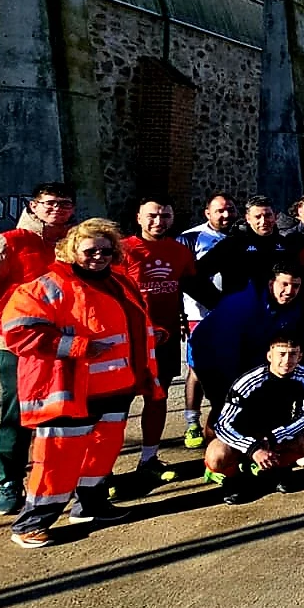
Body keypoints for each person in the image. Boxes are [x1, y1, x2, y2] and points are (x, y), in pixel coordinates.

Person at [0, 219, 159, 548]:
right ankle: (32, 523)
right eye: (90, 250)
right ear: (73, 250)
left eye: (105, 250)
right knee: (58, 459)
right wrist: (78, 347)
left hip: (117, 387)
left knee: (102, 452)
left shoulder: (119, 279)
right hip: (72, 391)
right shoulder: (49, 285)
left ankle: (91, 505)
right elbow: (18, 331)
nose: (98, 256)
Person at [0, 181, 75, 515]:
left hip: (64, 343)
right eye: (49, 202)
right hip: (16, 345)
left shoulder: (73, 244)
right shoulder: (6, 244)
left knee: (63, 412)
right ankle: (9, 482)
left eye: (64, 204)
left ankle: (57, 479)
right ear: (33, 205)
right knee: (18, 412)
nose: (56, 209)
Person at [117, 198, 198, 486]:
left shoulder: (179, 252)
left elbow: (193, 288)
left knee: (157, 398)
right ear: (138, 217)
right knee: (117, 407)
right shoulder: (121, 251)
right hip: (126, 342)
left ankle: (148, 460)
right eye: (152, 215)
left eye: (165, 215)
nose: (158, 221)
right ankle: (101, 472)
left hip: (164, 340)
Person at [186, 262, 304, 420]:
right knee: (225, 408)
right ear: (271, 283)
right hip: (209, 353)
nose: (289, 291)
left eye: (295, 286)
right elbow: (225, 354)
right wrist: (240, 387)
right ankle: (209, 437)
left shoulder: (294, 307)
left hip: (247, 352)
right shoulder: (242, 306)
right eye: (284, 284)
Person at [205, 334, 304, 505]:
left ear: (300, 356)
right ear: (269, 356)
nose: (287, 360)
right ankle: (234, 478)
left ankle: (279, 469)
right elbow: (223, 425)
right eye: (281, 354)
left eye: (293, 354)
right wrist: (253, 448)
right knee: (216, 456)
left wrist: (273, 437)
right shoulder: (249, 381)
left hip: (275, 435)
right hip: (244, 435)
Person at [177, 192, 237, 448]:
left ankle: (226, 420)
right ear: (207, 213)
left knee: (230, 367)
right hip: (199, 315)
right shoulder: (190, 238)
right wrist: (180, 313)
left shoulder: (240, 237)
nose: (226, 215)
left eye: (230, 210)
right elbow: (181, 278)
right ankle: (192, 422)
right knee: (198, 369)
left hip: (233, 316)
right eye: (220, 210)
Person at [186, 196, 300, 312]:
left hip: (276, 315)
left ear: (275, 217)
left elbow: (298, 279)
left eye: (268, 215)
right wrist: (218, 304)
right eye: (257, 217)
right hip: (240, 314)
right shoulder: (232, 245)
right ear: (248, 218)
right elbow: (192, 277)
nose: (263, 221)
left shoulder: (286, 245)